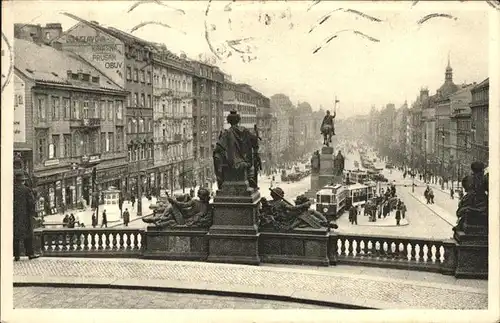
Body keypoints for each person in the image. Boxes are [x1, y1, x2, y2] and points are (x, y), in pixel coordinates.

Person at [13, 169, 39, 261]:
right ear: (23, 181)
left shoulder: (11, 189)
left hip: (14, 217)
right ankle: (30, 254)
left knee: (15, 236)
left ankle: (16, 256)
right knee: (28, 235)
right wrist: (33, 213)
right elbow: (31, 203)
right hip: (25, 216)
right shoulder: (26, 190)